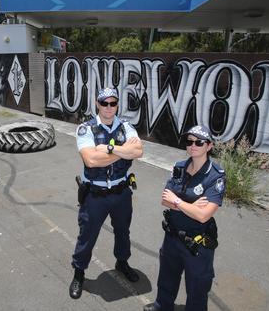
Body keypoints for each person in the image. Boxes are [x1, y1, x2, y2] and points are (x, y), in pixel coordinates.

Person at [69, 87, 143, 299]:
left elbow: (138, 151)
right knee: (87, 235)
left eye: (113, 103)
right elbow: (90, 160)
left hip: (121, 192)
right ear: (97, 104)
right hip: (95, 194)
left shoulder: (126, 126)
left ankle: (122, 262)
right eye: (104, 103)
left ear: (117, 105)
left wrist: (108, 149)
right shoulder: (86, 129)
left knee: (123, 231)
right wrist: (123, 151)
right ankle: (79, 273)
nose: (109, 108)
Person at [144, 125, 226, 311]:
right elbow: (165, 200)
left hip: (196, 243)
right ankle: (162, 306)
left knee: (197, 287)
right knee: (167, 277)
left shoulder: (215, 176)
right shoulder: (179, 167)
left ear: (209, 146)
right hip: (172, 235)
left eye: (199, 142)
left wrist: (178, 202)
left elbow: (204, 215)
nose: (193, 145)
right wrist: (190, 206)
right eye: (189, 141)